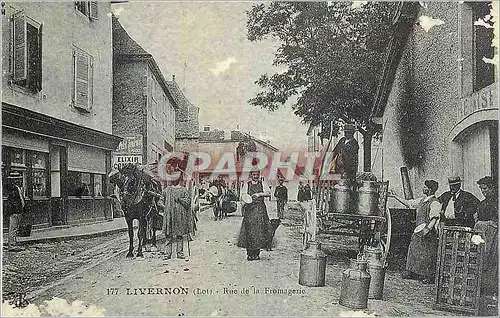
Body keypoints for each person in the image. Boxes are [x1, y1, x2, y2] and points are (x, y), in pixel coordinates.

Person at [390, 180, 441, 283]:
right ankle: (413, 272)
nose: (423, 189)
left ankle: (428, 276)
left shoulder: (435, 203)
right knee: (414, 250)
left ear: (430, 189)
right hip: (418, 230)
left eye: (425, 187)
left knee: (427, 254)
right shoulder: (422, 200)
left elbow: (435, 218)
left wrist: (427, 229)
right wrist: (395, 196)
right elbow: (409, 203)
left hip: (428, 232)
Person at [237, 169, 271, 261]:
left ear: (259, 175)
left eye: (257, 175)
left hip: (260, 210)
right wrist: (245, 201)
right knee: (249, 230)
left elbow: (268, 193)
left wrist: (259, 194)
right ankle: (249, 253)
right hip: (250, 210)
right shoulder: (246, 185)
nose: (255, 176)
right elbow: (242, 196)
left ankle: (256, 253)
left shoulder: (263, 183)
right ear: (251, 175)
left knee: (259, 230)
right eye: (254, 175)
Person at [473, 176, 498, 303]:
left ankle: (491, 288)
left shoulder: (497, 202)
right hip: (483, 236)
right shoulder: (482, 203)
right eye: (481, 189)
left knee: (492, 261)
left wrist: (488, 223)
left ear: (492, 188)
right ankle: (481, 287)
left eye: (485, 188)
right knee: (481, 258)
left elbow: (496, 222)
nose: (483, 191)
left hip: (494, 238)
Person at [158, 176, 193, 260]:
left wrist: (180, 199)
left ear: (178, 180)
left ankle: (179, 253)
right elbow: (160, 201)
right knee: (168, 236)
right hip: (169, 216)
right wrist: (165, 206)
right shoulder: (167, 190)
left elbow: (188, 202)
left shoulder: (184, 190)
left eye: (176, 179)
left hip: (179, 216)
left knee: (179, 235)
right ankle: (167, 254)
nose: (174, 181)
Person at [3, 171, 26, 252]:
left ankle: (13, 244)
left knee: (15, 228)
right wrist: (16, 210)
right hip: (15, 211)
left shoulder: (16, 187)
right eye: (16, 179)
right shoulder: (12, 188)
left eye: (18, 179)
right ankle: (11, 245)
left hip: (18, 210)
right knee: (13, 228)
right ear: (12, 180)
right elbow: (12, 201)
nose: (18, 180)